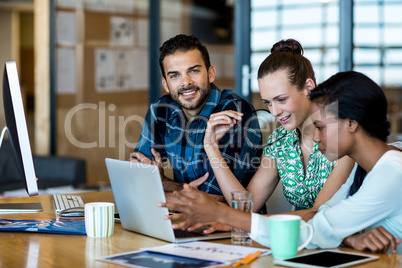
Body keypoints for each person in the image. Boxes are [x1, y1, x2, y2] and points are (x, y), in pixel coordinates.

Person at [159, 71, 402, 253]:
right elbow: (323, 218)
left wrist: (223, 214)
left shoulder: (391, 173)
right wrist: (349, 237)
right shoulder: (363, 168)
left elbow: (315, 230)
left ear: (351, 123)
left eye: (321, 127)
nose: (316, 137)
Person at [202, 39, 354, 215]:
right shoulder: (280, 141)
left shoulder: (342, 133)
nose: (274, 111)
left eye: (281, 99)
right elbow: (246, 206)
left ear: (308, 88)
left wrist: (245, 221)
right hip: (298, 239)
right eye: (268, 103)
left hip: (343, 241)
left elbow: (318, 214)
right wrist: (211, 146)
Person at [131, 34, 262, 201]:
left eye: (193, 71)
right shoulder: (160, 110)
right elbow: (139, 177)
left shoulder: (235, 111)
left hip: (231, 225)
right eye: (174, 75)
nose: (185, 82)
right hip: (176, 219)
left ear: (211, 73)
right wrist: (174, 188)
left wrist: (162, 185)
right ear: (166, 84)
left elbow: (217, 199)